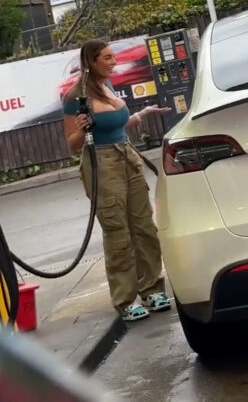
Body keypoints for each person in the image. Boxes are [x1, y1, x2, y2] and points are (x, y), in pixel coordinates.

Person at [62, 39, 170, 322]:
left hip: (126, 156)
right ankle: (125, 299)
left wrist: (142, 115)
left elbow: (117, 124)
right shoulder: (76, 97)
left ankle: (152, 289)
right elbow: (72, 144)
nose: (114, 62)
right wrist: (81, 128)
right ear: (92, 61)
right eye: (107, 58)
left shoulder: (107, 87)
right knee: (118, 231)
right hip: (101, 162)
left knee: (144, 226)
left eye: (113, 57)